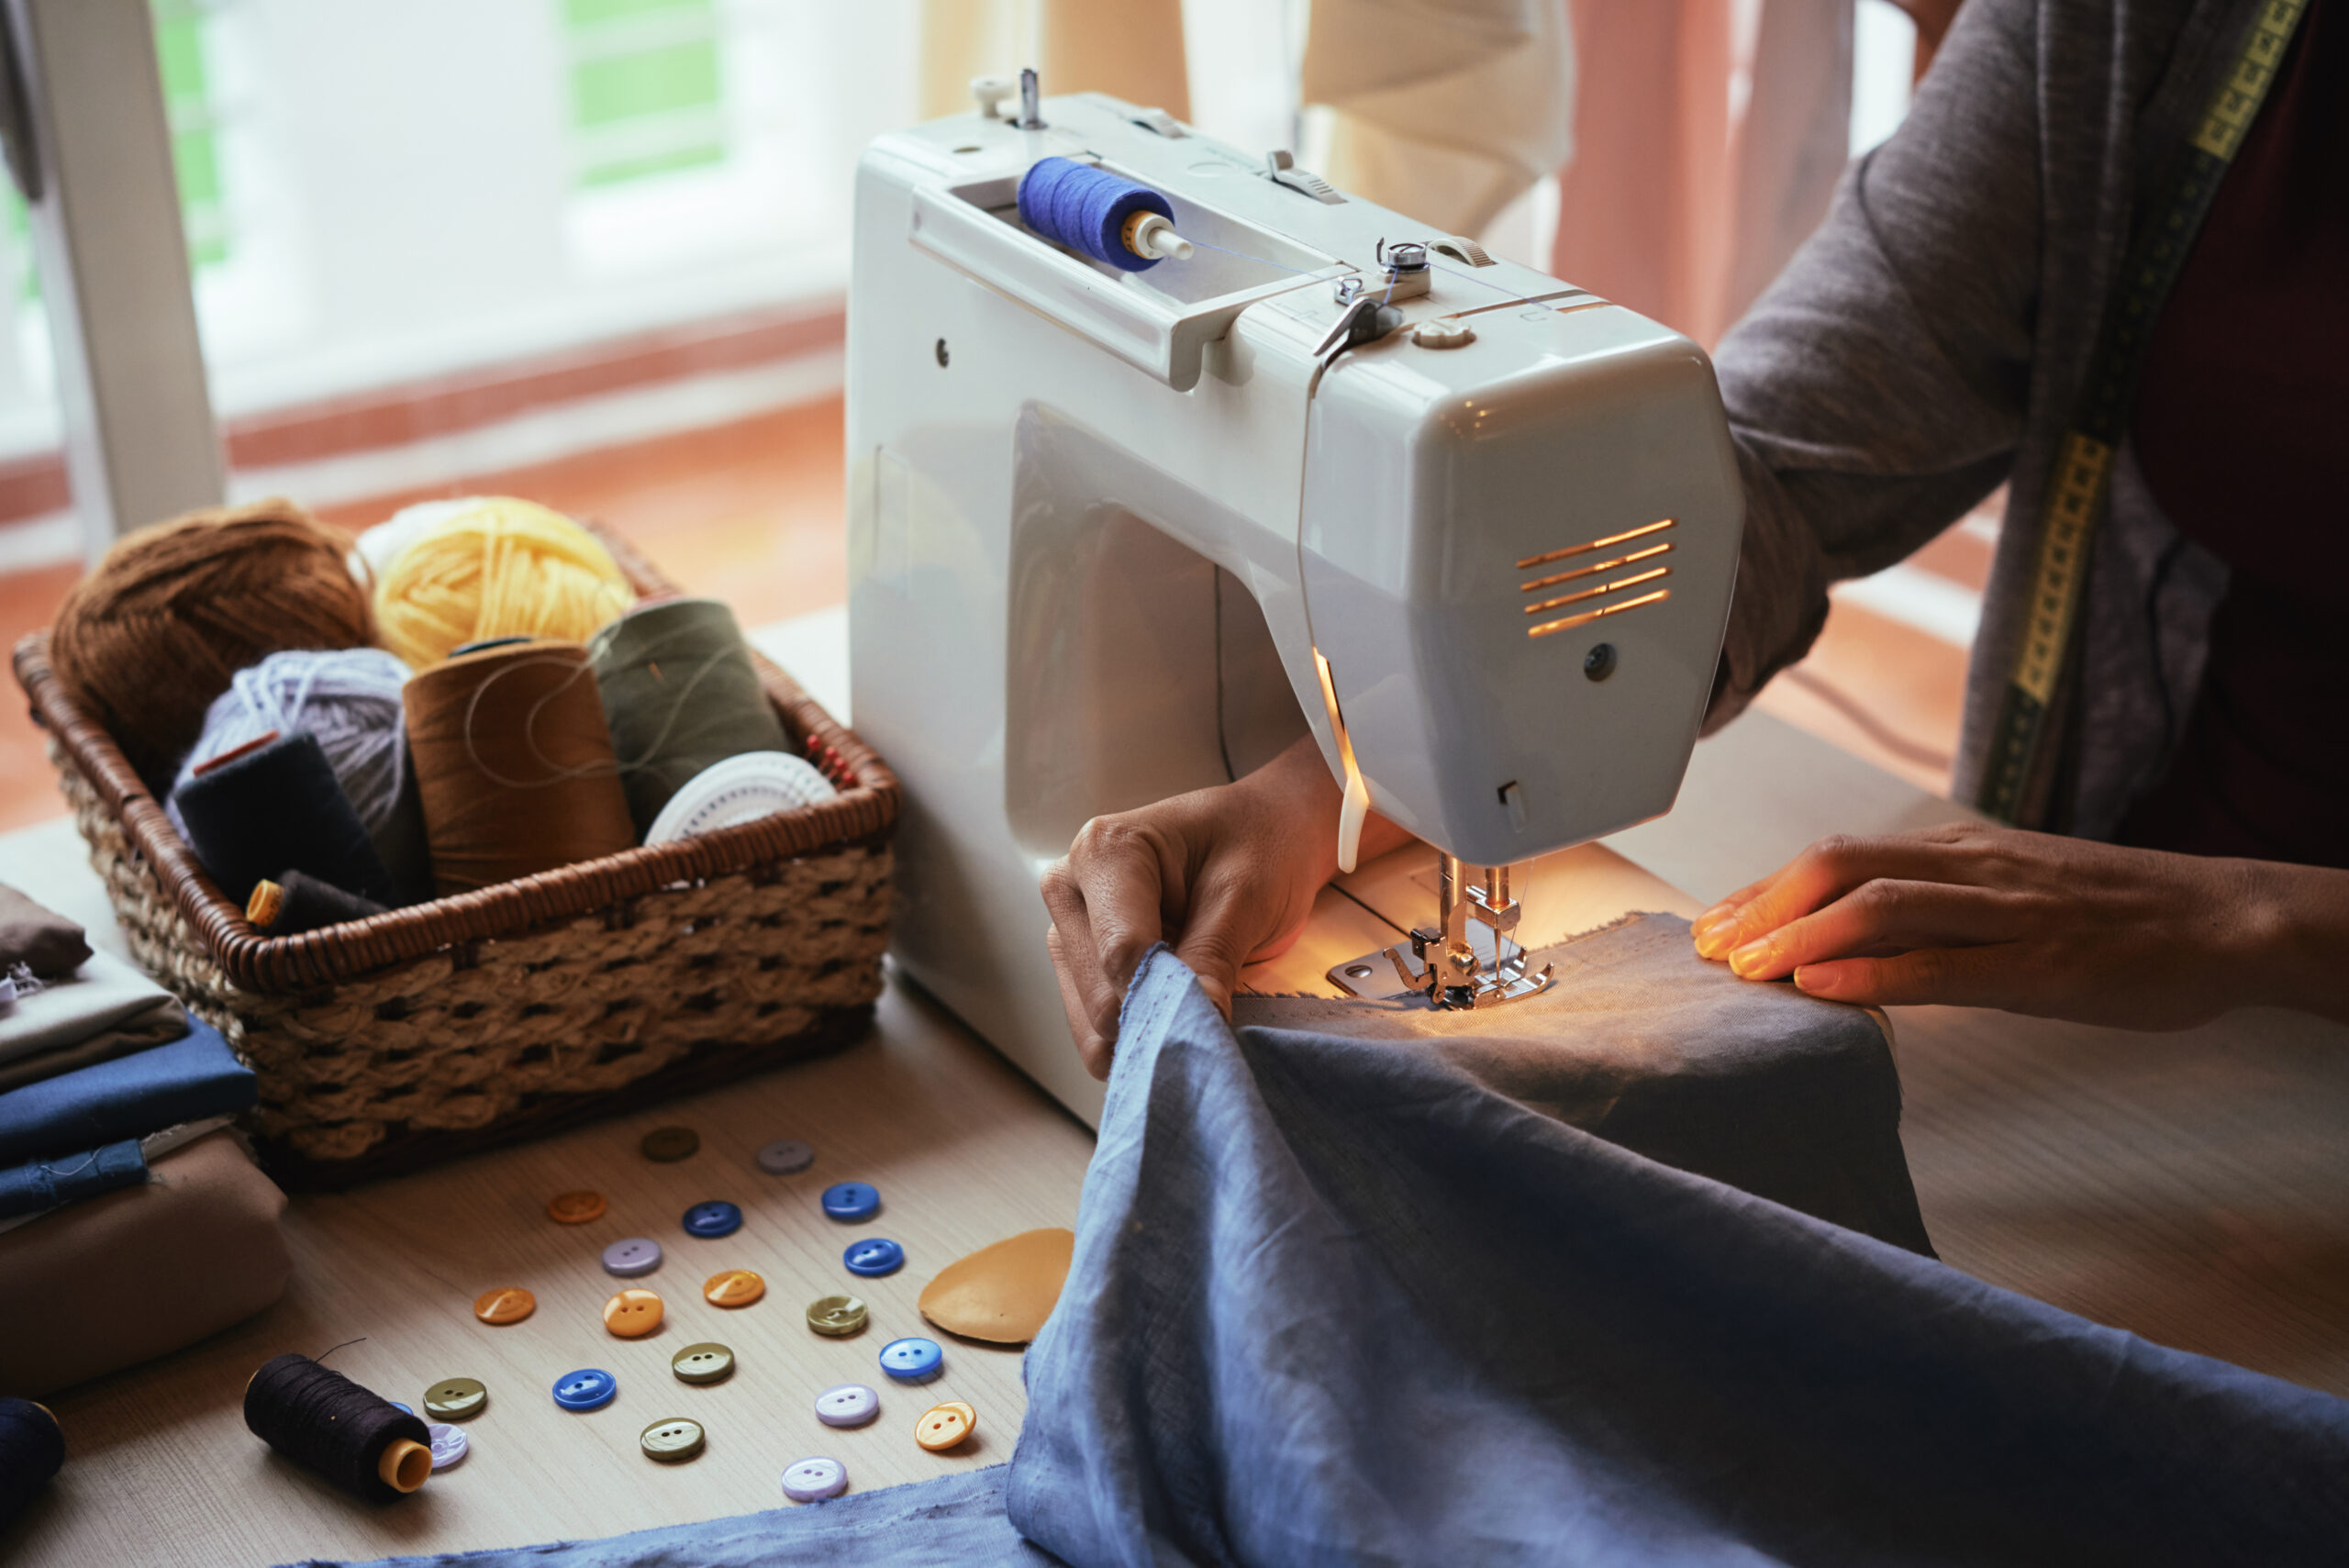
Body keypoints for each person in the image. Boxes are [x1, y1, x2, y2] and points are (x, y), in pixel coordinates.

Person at [1041, 0, 2349, 1078]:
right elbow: (1756, 479)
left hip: (2230, 1002)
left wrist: (2242, 917)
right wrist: (1313, 797)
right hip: (2149, 1042)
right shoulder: (2135, 26)